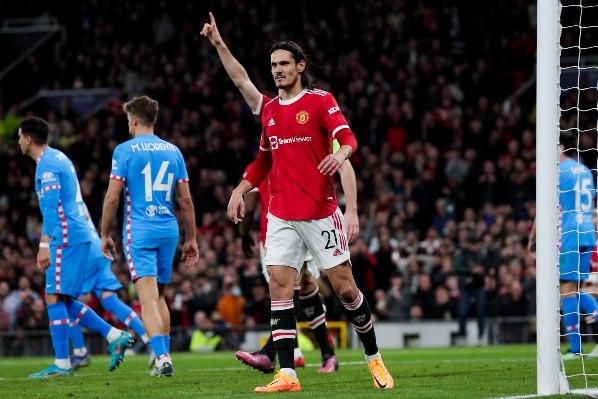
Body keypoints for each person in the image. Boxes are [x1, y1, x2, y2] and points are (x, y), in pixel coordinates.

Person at [201, 12, 393, 392]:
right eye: (273, 65)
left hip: (321, 214)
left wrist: (341, 156)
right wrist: (240, 189)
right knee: (279, 286)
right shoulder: (269, 111)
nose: (277, 70)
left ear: (300, 66)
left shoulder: (321, 102)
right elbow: (262, 161)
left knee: (346, 291)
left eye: (284, 64)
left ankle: (374, 359)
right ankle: (287, 373)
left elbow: (349, 138)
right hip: (281, 216)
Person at [17, 116, 134, 378]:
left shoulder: (46, 165)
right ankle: (113, 335)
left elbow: (50, 206)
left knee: (54, 297)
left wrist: (44, 243)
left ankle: (63, 363)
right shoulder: (59, 157)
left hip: (65, 236)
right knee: (61, 298)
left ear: (28, 139)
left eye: (19, 137)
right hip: (76, 234)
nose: (18, 142)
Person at [235, 142, 359, 374]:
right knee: (305, 286)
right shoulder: (289, 159)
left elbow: (250, 209)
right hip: (297, 230)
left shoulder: (257, 167)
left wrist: (243, 236)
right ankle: (324, 354)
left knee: (288, 291)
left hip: (277, 237)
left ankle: (274, 354)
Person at [100, 95, 199, 377]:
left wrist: (104, 233)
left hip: (140, 230)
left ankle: (163, 357)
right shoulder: (173, 151)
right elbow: (187, 200)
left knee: (146, 299)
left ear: (133, 119)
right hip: (169, 229)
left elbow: (112, 198)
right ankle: (162, 357)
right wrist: (191, 239)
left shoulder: (124, 150)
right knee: (160, 297)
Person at [528, 131, 598, 359]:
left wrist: (533, 236)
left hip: (568, 234)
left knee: (566, 292)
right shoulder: (585, 170)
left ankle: (576, 349)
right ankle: (576, 348)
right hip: (587, 233)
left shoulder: (557, 171)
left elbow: (546, 206)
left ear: (559, 147)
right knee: (575, 289)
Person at [68, 203, 152, 370]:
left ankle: (80, 351)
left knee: (64, 302)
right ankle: (150, 340)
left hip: (83, 251)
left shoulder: (59, 194)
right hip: (97, 248)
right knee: (110, 301)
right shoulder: (78, 200)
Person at [454, 232, 486, 345]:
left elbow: (485, 266)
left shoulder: (480, 254)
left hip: (478, 286)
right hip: (466, 287)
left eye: (475, 243)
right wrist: (471, 270)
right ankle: (462, 336)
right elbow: (457, 267)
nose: (474, 246)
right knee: (462, 312)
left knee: (480, 312)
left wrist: (481, 270)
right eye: (472, 243)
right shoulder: (462, 254)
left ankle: (481, 336)